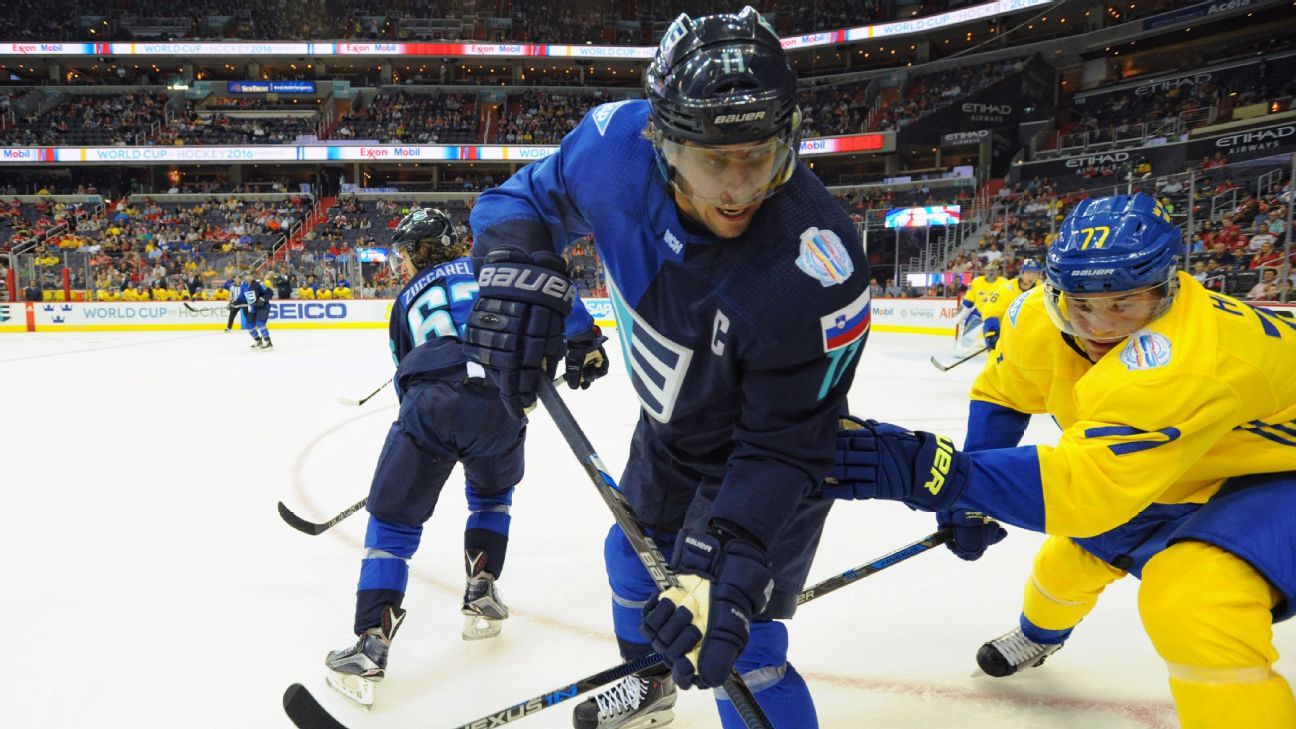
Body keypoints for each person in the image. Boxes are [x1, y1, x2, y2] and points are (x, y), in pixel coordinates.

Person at [464, 8, 871, 728]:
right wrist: (513, 264)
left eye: (760, 156)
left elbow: (787, 441)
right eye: (714, 160)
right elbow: (519, 200)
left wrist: (737, 552)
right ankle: (650, 684)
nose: (739, 189)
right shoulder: (613, 148)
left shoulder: (820, 265)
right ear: (663, 141)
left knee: (745, 646)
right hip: (672, 432)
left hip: (770, 458)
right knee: (631, 564)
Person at [826, 192, 1296, 729]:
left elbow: (1086, 489)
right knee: (1067, 563)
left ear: (1167, 289)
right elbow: (1005, 393)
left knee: (1194, 597)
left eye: (1124, 304)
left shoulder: (1190, 357)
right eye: (1082, 304)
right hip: (1190, 463)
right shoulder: (1035, 315)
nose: (1099, 327)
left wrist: (935, 474)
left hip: (1274, 472)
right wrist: (971, 498)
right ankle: (1037, 637)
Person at [323, 208, 607, 709]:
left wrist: (421, 433)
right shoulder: (490, 265)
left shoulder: (404, 300)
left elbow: (403, 377)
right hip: (501, 402)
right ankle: (482, 591)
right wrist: (585, 343)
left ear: (417, 251)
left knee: (393, 523)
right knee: (493, 497)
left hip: (431, 404)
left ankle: (371, 643)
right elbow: (552, 294)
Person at [951, 260, 1017, 351]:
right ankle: (961, 350)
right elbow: (968, 300)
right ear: (984, 271)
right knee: (968, 333)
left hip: (996, 315)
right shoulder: (976, 282)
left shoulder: (1005, 283)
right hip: (979, 313)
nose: (991, 273)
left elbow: (1011, 299)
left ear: (998, 272)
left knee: (993, 339)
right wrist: (960, 315)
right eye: (988, 270)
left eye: (993, 270)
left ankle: (997, 352)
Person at [229, 270, 273, 349]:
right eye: (247, 276)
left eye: (250, 275)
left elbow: (270, 293)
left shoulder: (259, 284)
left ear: (252, 276)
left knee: (260, 323)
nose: (249, 277)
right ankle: (258, 341)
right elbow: (241, 298)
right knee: (248, 325)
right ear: (244, 277)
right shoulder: (243, 286)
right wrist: (233, 304)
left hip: (263, 307)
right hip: (254, 308)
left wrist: (262, 299)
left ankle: (268, 342)